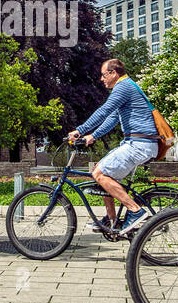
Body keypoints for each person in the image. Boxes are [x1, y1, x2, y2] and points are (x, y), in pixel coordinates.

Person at [66, 58, 159, 238]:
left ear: (114, 73)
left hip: (139, 144)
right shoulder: (127, 88)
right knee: (102, 171)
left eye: (103, 75)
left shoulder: (123, 86)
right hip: (137, 143)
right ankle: (111, 220)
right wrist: (92, 136)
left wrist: (80, 130)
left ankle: (135, 210)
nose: (102, 79)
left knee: (100, 173)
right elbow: (113, 118)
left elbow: (104, 111)